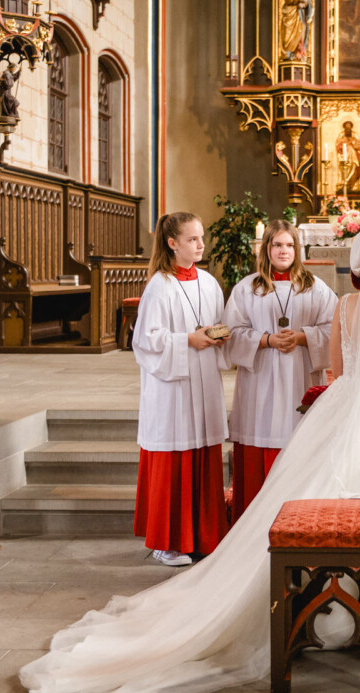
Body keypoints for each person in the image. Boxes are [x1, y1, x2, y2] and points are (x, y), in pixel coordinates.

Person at [20, 233, 360, 693]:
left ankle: (317, 598)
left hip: (345, 408)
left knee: (320, 493)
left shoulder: (345, 305)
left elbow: (336, 367)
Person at [131, 213, 231, 567]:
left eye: (201, 238)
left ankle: (204, 536)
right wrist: (188, 339)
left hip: (203, 381)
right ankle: (167, 542)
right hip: (172, 389)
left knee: (203, 452)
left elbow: (218, 325)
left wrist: (219, 335)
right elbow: (146, 341)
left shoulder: (209, 282)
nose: (201, 245)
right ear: (172, 243)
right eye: (192, 239)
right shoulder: (159, 285)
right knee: (175, 459)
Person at [223, 220, 337, 522]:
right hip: (260, 383)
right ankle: (254, 525)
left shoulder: (315, 287)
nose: (283, 251)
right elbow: (231, 333)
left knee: (298, 442)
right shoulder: (247, 288)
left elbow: (335, 330)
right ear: (266, 249)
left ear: (297, 250)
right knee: (260, 439)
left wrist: (303, 337)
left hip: (300, 378)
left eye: (289, 245)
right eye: (277, 245)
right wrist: (267, 340)